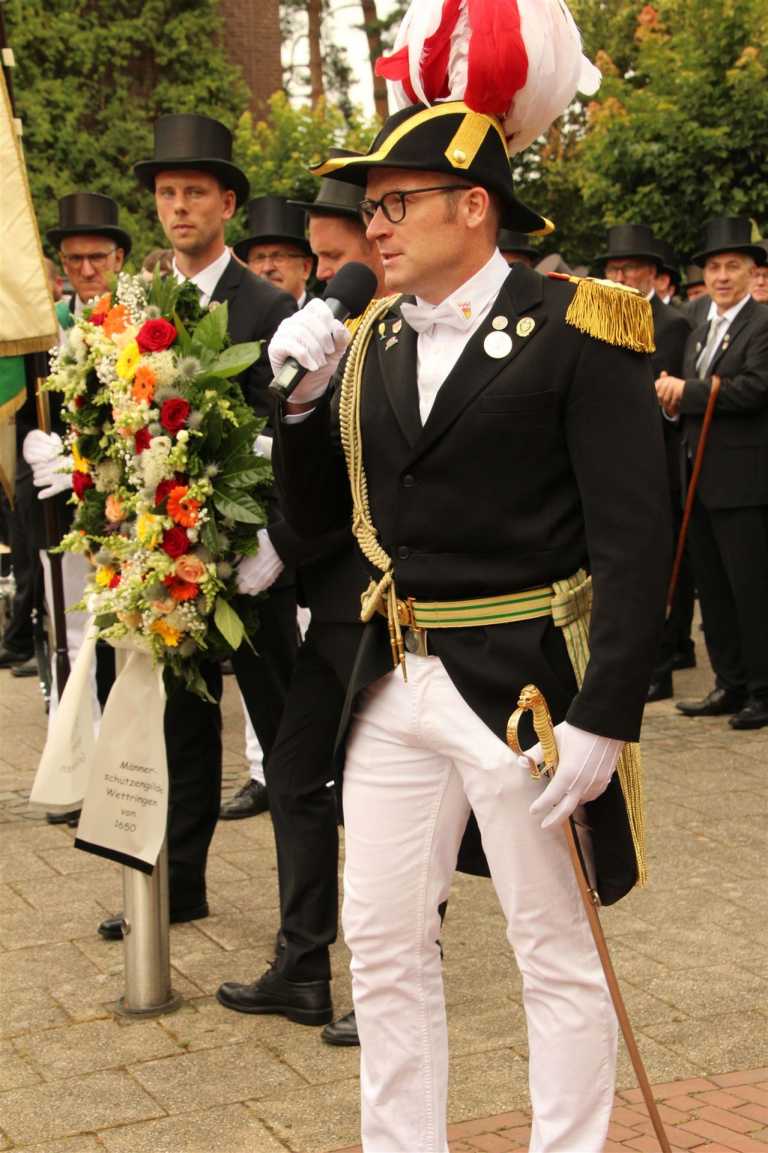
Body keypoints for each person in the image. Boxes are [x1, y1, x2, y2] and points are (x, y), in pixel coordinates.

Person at [270, 97, 670, 1152]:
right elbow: (317, 524)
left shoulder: (577, 327)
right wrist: (301, 404)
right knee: (383, 943)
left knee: (554, 949)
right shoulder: (369, 341)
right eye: (371, 209)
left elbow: (636, 536)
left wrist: (609, 710)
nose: (375, 227)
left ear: (475, 206)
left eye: (396, 203)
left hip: (525, 687)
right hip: (393, 676)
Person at [97, 113, 300, 939]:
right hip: (169, 557)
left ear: (227, 205)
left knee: (283, 730)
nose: (178, 207)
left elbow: (289, 436)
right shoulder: (141, 306)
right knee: (180, 724)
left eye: (194, 193)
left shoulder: (270, 305)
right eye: (166, 193)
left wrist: (273, 542)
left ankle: (306, 917)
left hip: (250, 560)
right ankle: (179, 884)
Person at [217, 169, 382, 1048]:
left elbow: (373, 479)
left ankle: (400, 971)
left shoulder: (400, 331)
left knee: (390, 793)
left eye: (335, 257)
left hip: (397, 600)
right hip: (338, 593)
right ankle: (305, 964)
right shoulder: (328, 332)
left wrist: (285, 539)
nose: (321, 278)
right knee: (293, 769)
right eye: (315, 261)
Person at [656, 215, 768, 729]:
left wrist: (688, 392)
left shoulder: (761, 324)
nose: (721, 276)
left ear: (752, 272)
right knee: (715, 593)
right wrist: (672, 403)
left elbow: (755, 388)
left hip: (743, 484)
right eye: (714, 267)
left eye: (732, 266)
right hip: (697, 479)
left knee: (750, 590)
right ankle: (729, 682)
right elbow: (690, 403)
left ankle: (762, 690)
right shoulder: (699, 329)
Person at [598, 224, 693, 701]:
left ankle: (666, 658)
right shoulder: (600, 316)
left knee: (661, 566)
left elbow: (668, 396)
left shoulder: (671, 323)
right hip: (608, 459)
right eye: (614, 269)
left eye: (630, 269)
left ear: (653, 275)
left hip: (657, 460)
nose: (621, 277)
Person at [233, 196, 314, 305]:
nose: (267, 268)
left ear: (305, 268)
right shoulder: (233, 314)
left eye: (278, 257)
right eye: (259, 258)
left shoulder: (326, 315)